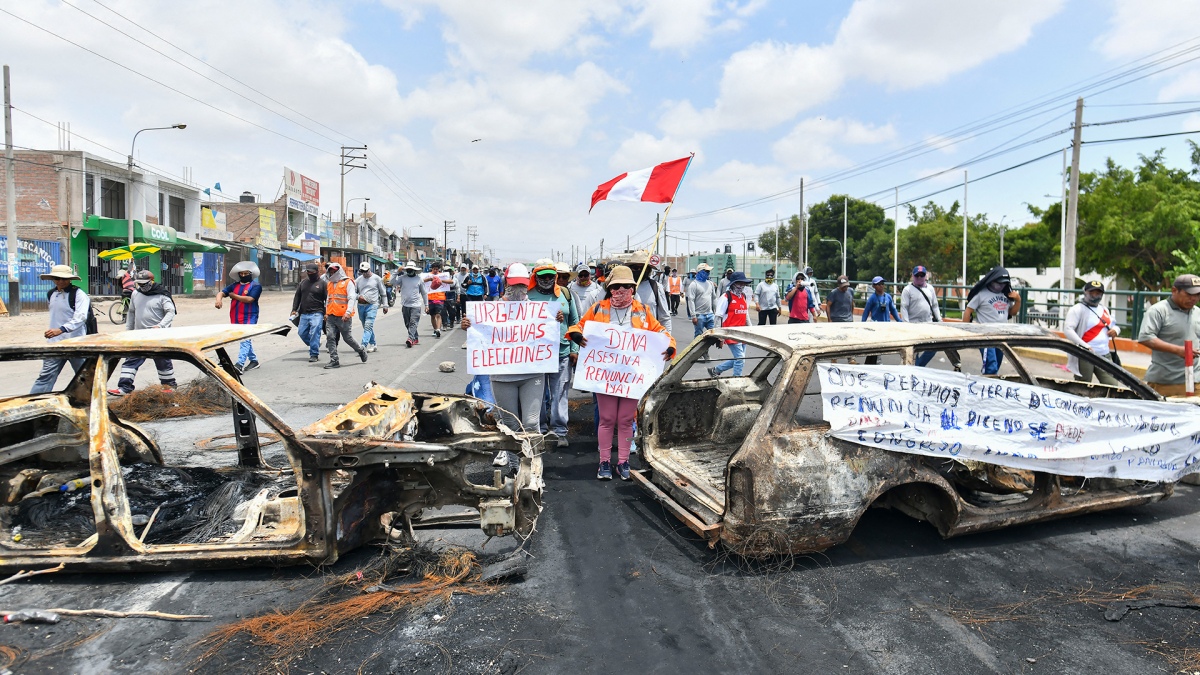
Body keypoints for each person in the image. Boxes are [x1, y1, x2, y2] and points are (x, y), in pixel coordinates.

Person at [567, 265, 675, 481]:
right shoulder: (599, 309)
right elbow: (577, 326)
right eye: (617, 286)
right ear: (610, 287)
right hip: (606, 376)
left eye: (627, 286)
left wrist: (670, 345)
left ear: (633, 288)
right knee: (606, 419)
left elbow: (661, 332)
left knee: (626, 420)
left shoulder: (643, 311)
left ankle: (623, 462)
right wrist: (577, 336)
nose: (622, 289)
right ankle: (604, 461)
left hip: (631, 377)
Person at [462, 263, 545, 434]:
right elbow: (482, 337)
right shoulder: (491, 310)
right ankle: (514, 462)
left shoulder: (539, 311)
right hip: (502, 376)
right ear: (506, 283)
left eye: (522, 284)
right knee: (510, 425)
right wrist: (469, 325)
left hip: (532, 374)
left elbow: (547, 333)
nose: (518, 288)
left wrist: (555, 319)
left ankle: (534, 461)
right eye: (514, 284)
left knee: (531, 423)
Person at [529, 261, 580, 447]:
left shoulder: (565, 294)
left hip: (562, 352)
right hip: (536, 354)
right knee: (536, 393)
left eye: (551, 276)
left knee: (560, 392)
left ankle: (559, 431)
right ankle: (540, 428)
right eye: (543, 276)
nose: (547, 279)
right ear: (535, 277)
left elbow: (575, 320)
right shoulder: (527, 295)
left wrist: (575, 349)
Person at [108, 271, 177, 396]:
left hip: (158, 336)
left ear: (152, 281)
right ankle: (124, 387)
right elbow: (131, 313)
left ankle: (169, 386)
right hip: (140, 335)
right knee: (131, 360)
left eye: (144, 283)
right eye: (139, 284)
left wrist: (160, 326)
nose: (142, 286)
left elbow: (170, 312)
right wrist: (128, 331)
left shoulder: (162, 295)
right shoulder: (135, 294)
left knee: (163, 361)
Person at [30, 265, 90, 395]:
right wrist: (56, 332)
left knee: (85, 378)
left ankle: (92, 404)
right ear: (53, 279)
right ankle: (34, 402)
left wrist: (61, 329)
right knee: (45, 376)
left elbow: (81, 318)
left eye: (64, 279)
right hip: (55, 344)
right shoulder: (51, 294)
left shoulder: (79, 295)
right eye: (57, 278)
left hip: (76, 344)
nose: (60, 281)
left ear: (69, 279)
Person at [1137, 273, 1200, 397]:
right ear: (1174, 290)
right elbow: (1146, 337)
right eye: (1189, 294)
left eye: (1198, 295)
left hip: (1196, 381)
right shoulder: (1159, 311)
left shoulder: (1197, 312)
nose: (1194, 299)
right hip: (1166, 383)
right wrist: (1178, 350)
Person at [963, 266, 1020, 374]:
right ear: (991, 281)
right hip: (986, 335)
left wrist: (1018, 300)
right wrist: (965, 330)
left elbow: (1012, 312)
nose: (1000, 286)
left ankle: (989, 384)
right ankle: (986, 386)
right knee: (991, 366)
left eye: (1003, 284)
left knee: (997, 364)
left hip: (1002, 334)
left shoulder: (1006, 294)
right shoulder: (981, 294)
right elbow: (968, 311)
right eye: (998, 283)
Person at [1064, 281, 1120, 385]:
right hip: (1085, 354)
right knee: (1083, 386)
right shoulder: (1077, 309)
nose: (1095, 295)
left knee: (1112, 385)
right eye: (1092, 292)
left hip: (1104, 354)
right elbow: (1068, 329)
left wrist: (1116, 330)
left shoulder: (1104, 309)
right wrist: (1085, 346)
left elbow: (1113, 324)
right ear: (1085, 292)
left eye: (1098, 293)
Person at [215, 261, 263, 373]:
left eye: (246, 274)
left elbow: (250, 299)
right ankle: (254, 360)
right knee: (244, 338)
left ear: (250, 274)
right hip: (235, 316)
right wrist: (218, 300)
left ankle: (239, 364)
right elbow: (221, 293)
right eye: (241, 274)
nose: (243, 276)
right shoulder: (234, 285)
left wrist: (233, 296)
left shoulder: (256, 286)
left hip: (250, 316)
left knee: (245, 338)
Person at [322, 262, 367, 369]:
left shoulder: (348, 282)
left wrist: (347, 313)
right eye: (330, 271)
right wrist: (326, 312)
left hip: (343, 317)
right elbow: (328, 299)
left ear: (339, 271)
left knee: (347, 338)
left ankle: (360, 350)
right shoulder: (329, 283)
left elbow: (352, 298)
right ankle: (334, 360)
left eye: (334, 271)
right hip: (331, 316)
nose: (332, 273)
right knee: (330, 336)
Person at [709, 272, 751, 377]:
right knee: (740, 359)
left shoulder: (743, 297)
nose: (741, 286)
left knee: (740, 359)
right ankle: (736, 380)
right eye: (739, 283)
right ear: (732, 284)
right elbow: (718, 317)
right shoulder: (726, 297)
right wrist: (719, 336)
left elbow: (746, 315)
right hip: (731, 333)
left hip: (743, 333)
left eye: (743, 284)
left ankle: (716, 370)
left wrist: (751, 330)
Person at [901, 265, 941, 366]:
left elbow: (935, 305)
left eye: (921, 275)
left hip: (928, 323)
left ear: (925, 276)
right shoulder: (907, 290)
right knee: (914, 350)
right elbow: (904, 307)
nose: (919, 278)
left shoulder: (930, 289)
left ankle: (919, 366)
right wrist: (906, 324)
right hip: (913, 324)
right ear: (913, 276)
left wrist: (939, 319)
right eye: (917, 275)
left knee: (933, 347)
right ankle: (914, 367)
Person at [290, 263, 327, 362]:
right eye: (308, 271)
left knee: (315, 332)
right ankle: (314, 344)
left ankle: (314, 354)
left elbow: (327, 299)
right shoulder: (303, 283)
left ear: (317, 272)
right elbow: (297, 297)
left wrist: (326, 312)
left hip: (317, 313)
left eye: (312, 272)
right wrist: (294, 309)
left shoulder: (322, 284)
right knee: (301, 332)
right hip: (304, 313)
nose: (310, 273)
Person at [354, 262, 388, 353]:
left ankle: (363, 345)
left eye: (365, 271)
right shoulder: (358, 280)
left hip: (372, 305)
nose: (364, 273)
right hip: (361, 306)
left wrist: (385, 305)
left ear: (369, 269)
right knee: (365, 326)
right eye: (362, 271)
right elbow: (353, 293)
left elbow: (383, 293)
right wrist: (358, 297)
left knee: (368, 325)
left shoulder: (377, 279)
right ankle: (373, 343)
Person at [394, 261, 428, 348]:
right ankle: (415, 337)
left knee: (413, 323)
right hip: (405, 305)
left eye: (411, 269)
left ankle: (410, 338)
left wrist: (426, 305)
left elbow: (424, 293)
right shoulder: (402, 278)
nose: (409, 271)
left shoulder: (419, 279)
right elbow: (392, 282)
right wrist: (397, 272)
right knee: (408, 324)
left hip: (416, 305)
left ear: (414, 270)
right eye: (408, 269)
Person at [687, 262, 718, 337]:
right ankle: (698, 349)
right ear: (700, 272)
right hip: (699, 315)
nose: (708, 273)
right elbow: (691, 300)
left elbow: (714, 298)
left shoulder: (710, 284)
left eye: (708, 271)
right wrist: (693, 316)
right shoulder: (694, 284)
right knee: (699, 336)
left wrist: (716, 312)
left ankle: (707, 348)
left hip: (710, 314)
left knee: (713, 334)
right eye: (706, 271)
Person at [424, 261, 449, 338]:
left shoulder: (442, 276)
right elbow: (421, 281)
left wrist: (441, 281)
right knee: (432, 315)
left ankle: (438, 329)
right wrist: (429, 279)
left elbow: (451, 281)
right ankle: (435, 329)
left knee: (438, 314)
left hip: (440, 297)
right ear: (432, 269)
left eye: (437, 269)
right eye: (434, 269)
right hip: (430, 297)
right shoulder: (428, 276)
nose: (435, 270)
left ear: (439, 269)